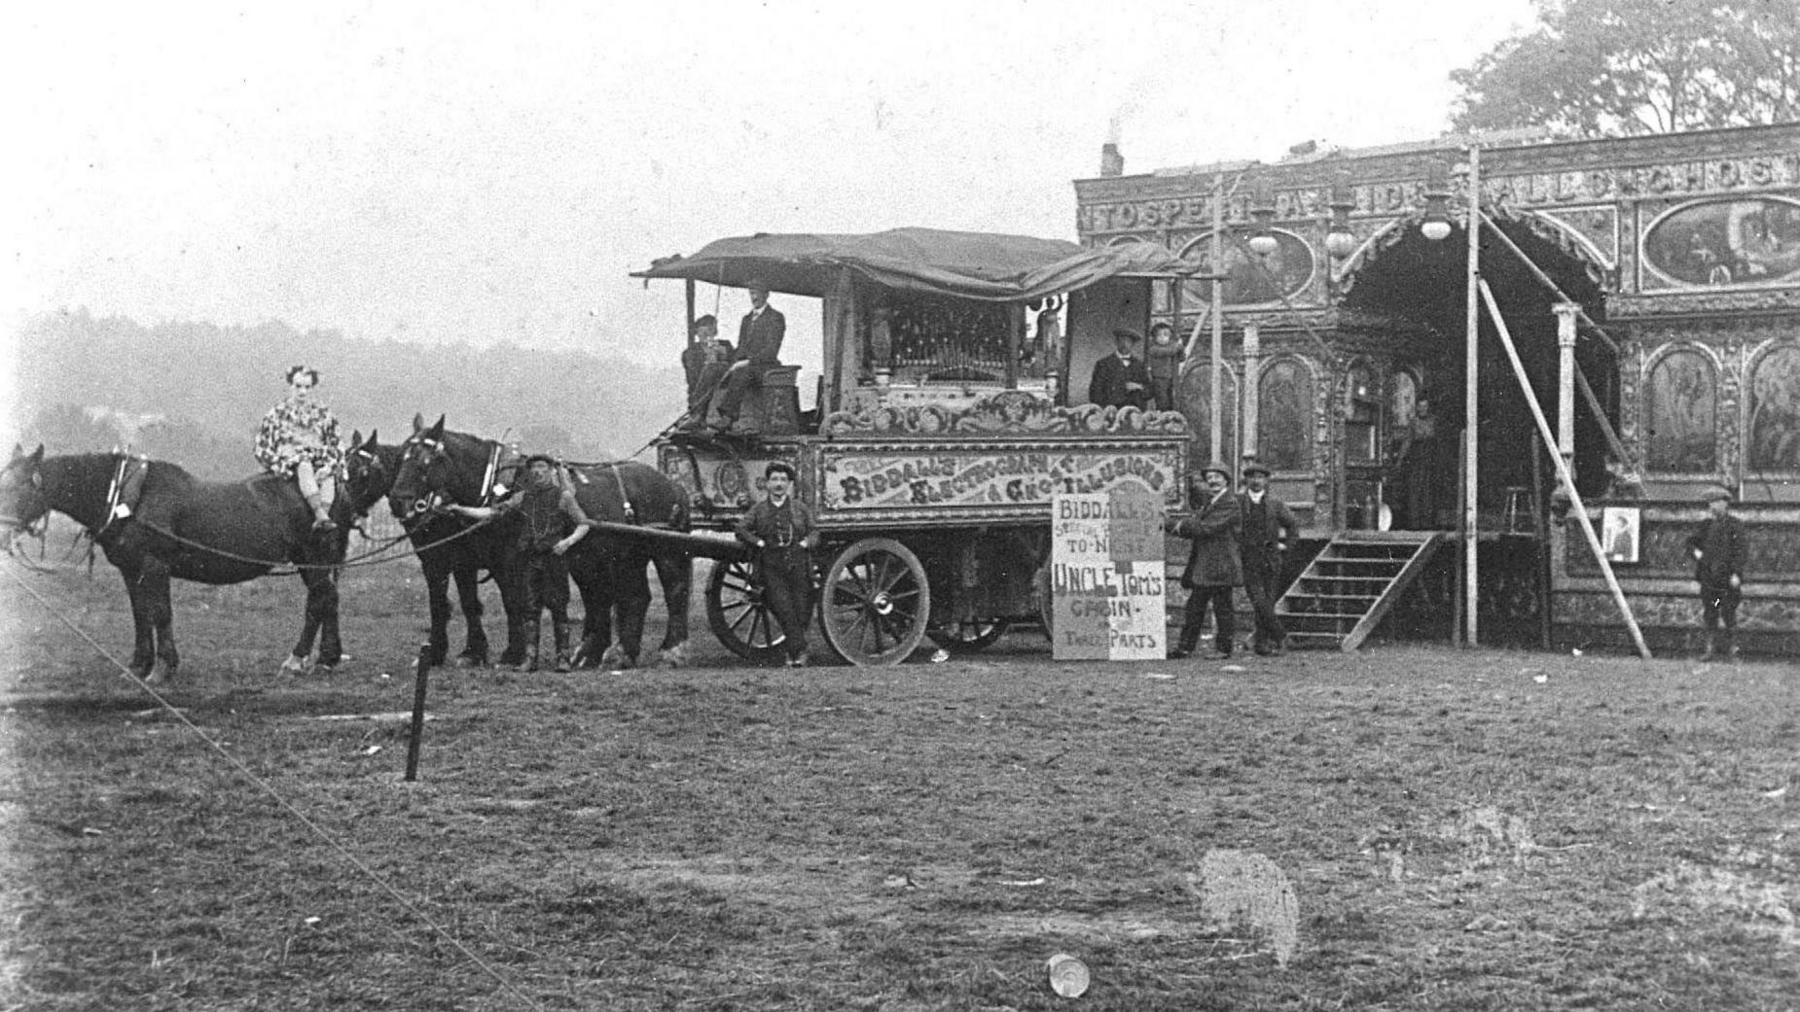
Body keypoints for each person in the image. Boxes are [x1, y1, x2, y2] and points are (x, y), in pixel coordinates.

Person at [449, 454, 593, 672]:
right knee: (530, 608)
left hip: (554, 558)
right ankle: (530, 658)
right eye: (534, 468)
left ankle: (562, 658)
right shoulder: (522, 497)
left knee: (559, 608)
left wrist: (567, 542)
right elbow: (492, 512)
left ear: (551, 470)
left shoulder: (564, 497)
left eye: (542, 467)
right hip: (532, 558)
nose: (538, 472)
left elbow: (583, 524)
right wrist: (461, 509)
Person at [734, 461, 818, 667]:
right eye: (774, 480)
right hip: (771, 567)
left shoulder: (800, 508)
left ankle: (797, 651)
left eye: (783, 480)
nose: (778, 484)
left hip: (798, 563)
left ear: (789, 484)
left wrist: (806, 543)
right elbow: (741, 529)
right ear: (767, 484)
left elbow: (814, 531)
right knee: (784, 609)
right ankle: (797, 651)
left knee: (800, 609)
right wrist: (759, 542)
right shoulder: (759, 509)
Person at [1167, 462, 1243, 659]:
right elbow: (1199, 525)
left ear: (1226, 479)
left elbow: (1205, 528)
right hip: (1207, 566)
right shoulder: (1212, 502)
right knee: (1195, 608)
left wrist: (1174, 526)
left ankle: (1222, 649)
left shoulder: (1229, 503)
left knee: (1221, 609)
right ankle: (1186, 647)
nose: (1212, 481)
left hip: (1220, 566)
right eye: (1209, 477)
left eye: (1217, 477)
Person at [254, 365, 345, 531]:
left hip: (318, 461)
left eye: (307, 387)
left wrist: (330, 465)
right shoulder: (277, 413)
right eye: (298, 386)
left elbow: (336, 443)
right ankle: (319, 513)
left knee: (329, 477)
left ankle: (323, 519)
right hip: (291, 462)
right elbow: (262, 446)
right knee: (304, 466)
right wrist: (277, 463)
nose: (302, 392)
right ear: (290, 386)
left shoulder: (324, 414)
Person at [1238, 459, 1300, 656]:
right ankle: (1281, 635)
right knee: (1258, 600)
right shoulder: (1237, 502)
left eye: (1261, 477)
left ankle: (1262, 645)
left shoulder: (1275, 505)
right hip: (1248, 558)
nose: (1256, 481)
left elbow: (1292, 526)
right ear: (1246, 481)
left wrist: (1286, 546)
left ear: (1266, 481)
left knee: (1268, 602)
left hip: (1271, 559)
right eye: (1252, 477)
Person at [710, 279, 787, 433]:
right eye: (751, 293)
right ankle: (697, 415)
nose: (754, 297)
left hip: (764, 367)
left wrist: (746, 362)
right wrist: (724, 353)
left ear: (766, 295)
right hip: (746, 365)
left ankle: (727, 418)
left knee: (742, 371)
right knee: (712, 369)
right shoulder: (746, 319)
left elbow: (771, 351)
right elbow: (741, 348)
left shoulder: (775, 317)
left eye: (757, 293)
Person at [1685, 485, 1747, 660]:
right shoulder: (1705, 525)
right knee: (1710, 612)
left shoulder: (1735, 525)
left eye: (1715, 502)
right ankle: (1710, 650)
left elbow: (1741, 551)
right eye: (1710, 503)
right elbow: (1690, 543)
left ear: (1724, 503)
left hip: (1727, 579)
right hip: (1709, 579)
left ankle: (1732, 651)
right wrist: (1697, 553)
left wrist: (1736, 573)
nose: (1711, 506)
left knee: (1728, 612)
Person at [680, 315, 734, 426]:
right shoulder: (691, 353)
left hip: (724, 390)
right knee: (710, 369)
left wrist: (723, 354)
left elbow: (735, 362)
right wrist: (708, 362)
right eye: (703, 331)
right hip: (702, 395)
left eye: (710, 330)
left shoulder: (725, 345)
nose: (707, 335)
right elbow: (693, 380)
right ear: (697, 333)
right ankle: (698, 413)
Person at [1088, 328, 1153, 411]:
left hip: (1134, 412)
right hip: (1111, 411)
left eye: (1128, 341)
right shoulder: (1103, 364)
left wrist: (1139, 387)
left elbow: (1150, 391)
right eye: (1122, 341)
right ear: (1116, 342)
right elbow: (1095, 391)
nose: (1124, 344)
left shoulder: (1139, 365)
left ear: (1133, 344)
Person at [1145, 320, 1184, 411]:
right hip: (1159, 379)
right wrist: (1178, 346)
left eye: (1166, 335)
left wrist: (1181, 348)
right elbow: (1169, 351)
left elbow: (1181, 358)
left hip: (1171, 378)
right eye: (1159, 335)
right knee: (1163, 401)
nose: (1162, 338)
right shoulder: (1154, 349)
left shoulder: (1172, 346)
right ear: (1154, 337)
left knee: (1172, 400)